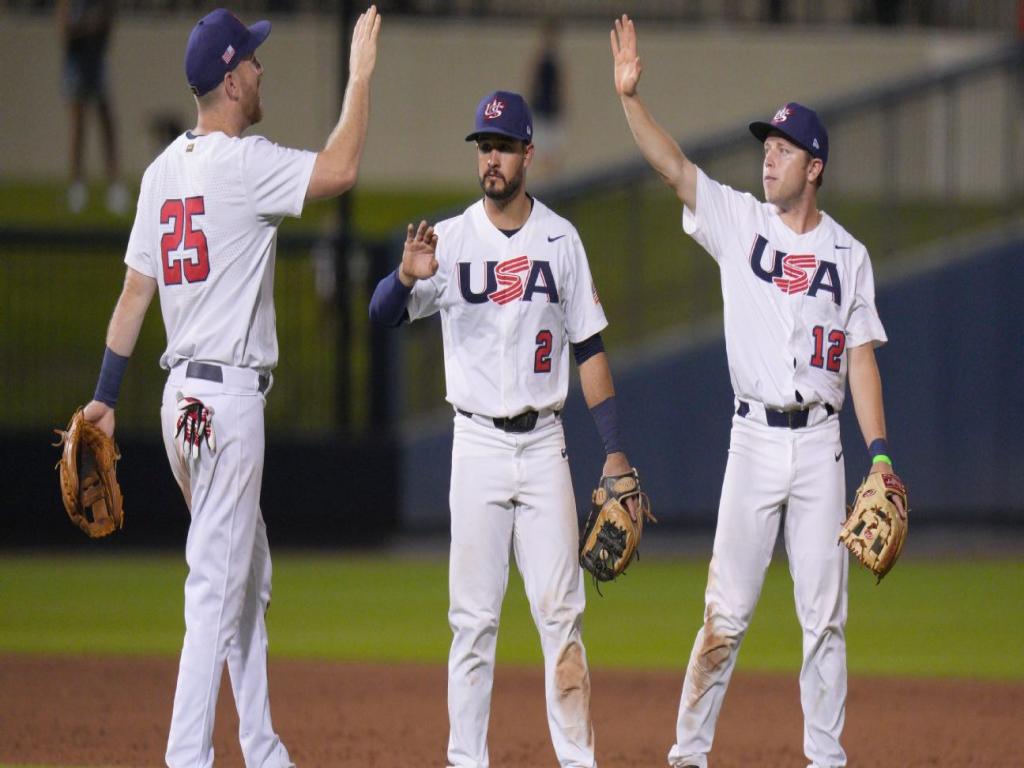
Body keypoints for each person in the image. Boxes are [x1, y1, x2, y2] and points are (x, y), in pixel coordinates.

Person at [80, 7, 381, 767]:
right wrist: (362, 75)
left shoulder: (160, 174)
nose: (259, 68)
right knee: (215, 585)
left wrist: (106, 397)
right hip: (227, 402)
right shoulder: (242, 165)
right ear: (228, 76)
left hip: (178, 399)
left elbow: (133, 297)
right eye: (251, 58)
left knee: (245, 579)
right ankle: (187, 757)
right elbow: (341, 169)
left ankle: (262, 747)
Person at [611, 15, 900, 768]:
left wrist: (878, 457)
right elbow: (674, 168)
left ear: (816, 168)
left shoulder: (849, 255)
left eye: (783, 151)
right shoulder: (739, 223)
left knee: (825, 618)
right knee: (725, 615)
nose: (768, 160)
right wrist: (631, 101)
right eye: (765, 148)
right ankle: (687, 755)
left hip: (821, 446)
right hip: (753, 441)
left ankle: (827, 759)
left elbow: (862, 359)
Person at [369, 89, 637, 768]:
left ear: (528, 154)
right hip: (478, 444)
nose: (490, 159)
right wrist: (404, 277)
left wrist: (614, 452)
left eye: (501, 146)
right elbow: (381, 316)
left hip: (546, 444)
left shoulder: (561, 241)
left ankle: (578, 760)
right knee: (473, 623)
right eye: (482, 147)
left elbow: (591, 351)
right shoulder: (450, 240)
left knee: (562, 617)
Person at [57, 0, 128, 214]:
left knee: (106, 122)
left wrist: (94, 26)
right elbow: (64, 27)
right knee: (78, 124)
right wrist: (85, 27)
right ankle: (77, 186)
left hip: (96, 60)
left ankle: (115, 184)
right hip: (76, 62)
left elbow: (108, 21)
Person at [529, 16, 566, 177]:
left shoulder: (555, 60)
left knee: (552, 149)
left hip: (552, 109)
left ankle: (550, 178)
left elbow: (561, 85)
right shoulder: (541, 59)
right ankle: (546, 178)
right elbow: (533, 81)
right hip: (542, 108)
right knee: (543, 149)